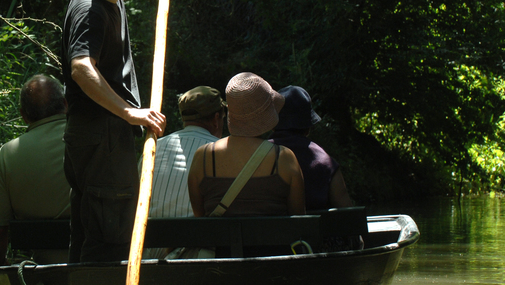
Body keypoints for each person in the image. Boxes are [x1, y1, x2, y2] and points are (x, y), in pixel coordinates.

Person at [62, 0, 176, 262]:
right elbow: (81, 68)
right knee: (107, 239)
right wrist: (130, 112)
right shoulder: (90, 10)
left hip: (96, 140)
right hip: (103, 142)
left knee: (91, 230)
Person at [187, 72, 306, 220]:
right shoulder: (284, 158)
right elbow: (299, 219)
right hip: (272, 242)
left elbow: (199, 216)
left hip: (219, 243)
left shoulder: (203, 157)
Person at [0, 74, 71, 269]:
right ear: (65, 103)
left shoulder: (6, 155)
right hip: (96, 259)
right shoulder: (91, 141)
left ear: (23, 115)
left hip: (37, 271)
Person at [147, 86, 227, 219]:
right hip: (196, 235)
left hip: (149, 234)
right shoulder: (222, 151)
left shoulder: (154, 147)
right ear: (216, 119)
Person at [269, 85, 353, 210]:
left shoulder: (258, 155)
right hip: (314, 229)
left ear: (273, 124)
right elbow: (348, 213)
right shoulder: (325, 161)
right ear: (308, 127)